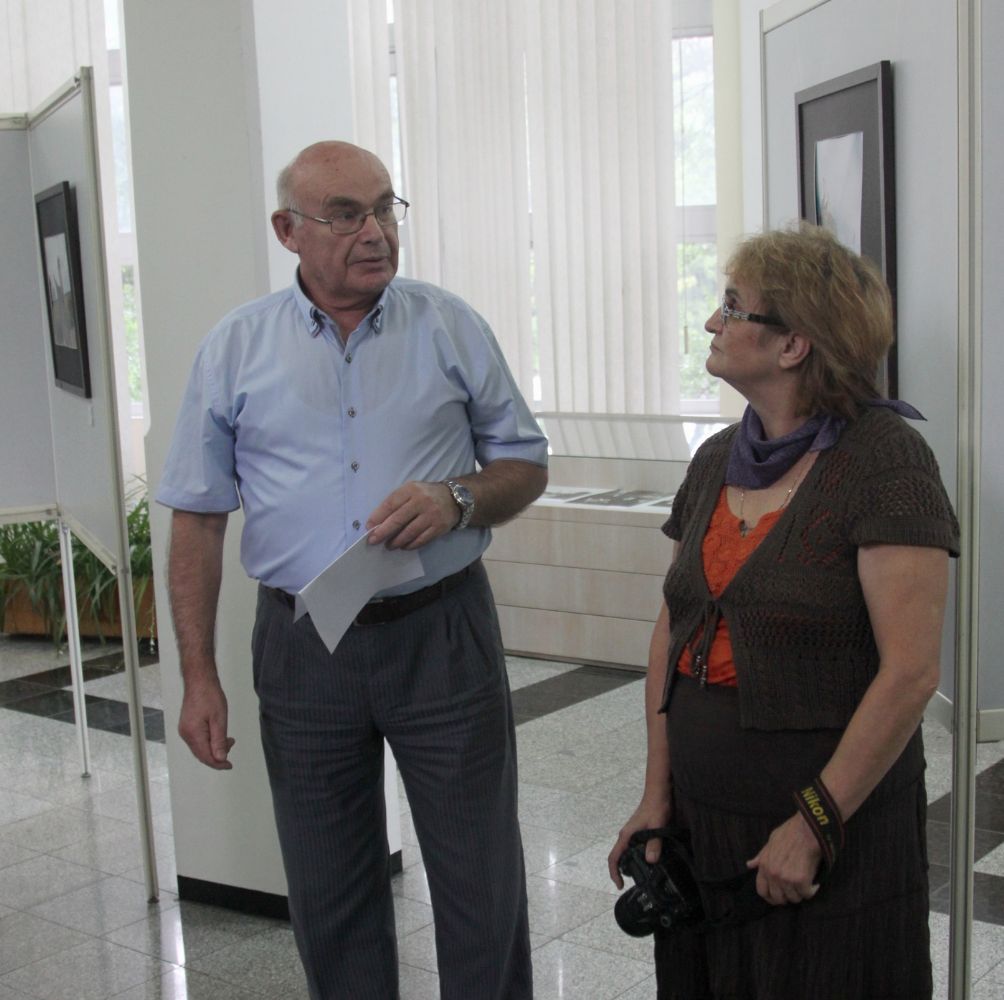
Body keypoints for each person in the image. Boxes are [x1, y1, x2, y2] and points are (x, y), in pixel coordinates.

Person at [156, 140, 546, 1000]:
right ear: (287, 230)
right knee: (330, 890)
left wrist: (459, 499)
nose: (375, 232)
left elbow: (525, 464)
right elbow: (197, 519)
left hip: (441, 632)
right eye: (345, 215)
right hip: (303, 646)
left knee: (480, 881)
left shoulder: (449, 325)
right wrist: (197, 676)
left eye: (384, 207)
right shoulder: (235, 348)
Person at [608, 223, 959, 1000]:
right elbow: (675, 628)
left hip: (828, 826)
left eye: (734, 307)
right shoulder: (715, 459)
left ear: (794, 345)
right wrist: (657, 794)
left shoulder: (886, 462)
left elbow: (910, 673)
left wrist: (814, 823)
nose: (713, 321)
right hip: (705, 818)